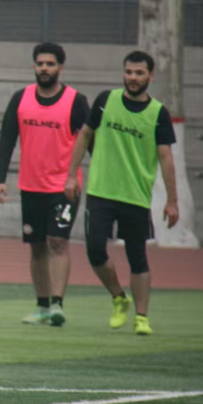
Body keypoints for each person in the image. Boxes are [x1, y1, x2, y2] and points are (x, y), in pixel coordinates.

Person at [65, 50, 179, 336]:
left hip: (135, 196)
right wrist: (71, 175)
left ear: (151, 76)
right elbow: (85, 135)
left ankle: (142, 317)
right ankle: (118, 297)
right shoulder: (106, 100)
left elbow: (166, 158)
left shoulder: (158, 113)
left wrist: (172, 201)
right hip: (101, 191)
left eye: (139, 73)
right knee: (94, 250)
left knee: (137, 257)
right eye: (129, 72)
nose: (133, 77)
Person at [0, 43, 89, 327]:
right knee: (36, 246)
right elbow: (7, 139)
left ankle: (58, 304)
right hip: (31, 186)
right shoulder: (21, 98)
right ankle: (42, 306)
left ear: (60, 68)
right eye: (40, 64)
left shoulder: (76, 101)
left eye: (50, 64)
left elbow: (91, 142)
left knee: (58, 242)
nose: (44, 68)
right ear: (34, 66)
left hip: (64, 187)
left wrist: (85, 179)